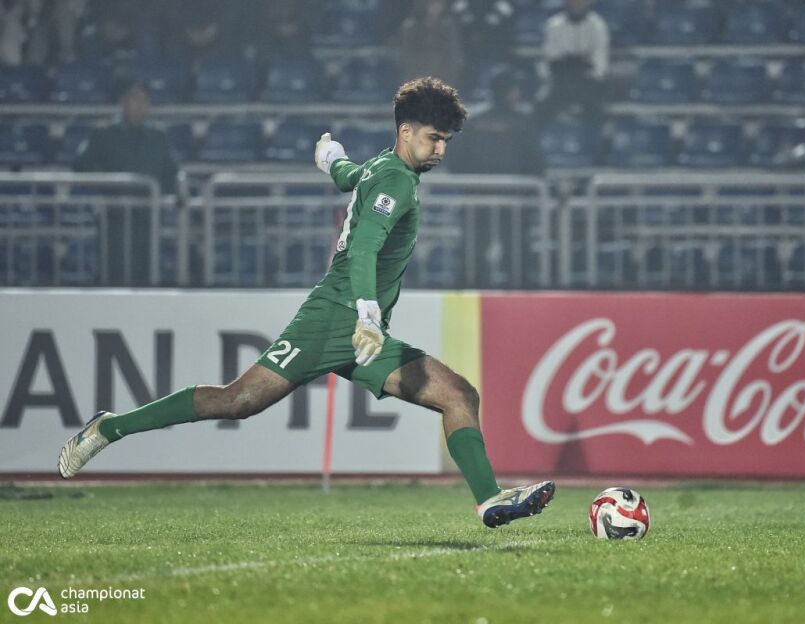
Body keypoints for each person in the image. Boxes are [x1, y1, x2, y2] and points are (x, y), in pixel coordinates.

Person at [58, 77, 556, 529]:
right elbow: (364, 247)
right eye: (433, 138)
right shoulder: (395, 180)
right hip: (337, 318)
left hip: (359, 329)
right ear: (405, 131)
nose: (441, 149)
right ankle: (111, 427)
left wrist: (329, 157)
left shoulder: (384, 167)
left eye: (446, 140)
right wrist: (368, 314)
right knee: (239, 400)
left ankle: (489, 500)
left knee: (458, 395)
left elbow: (348, 176)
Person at [74, 78, 178, 286]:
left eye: (145, 101)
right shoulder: (104, 134)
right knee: (113, 270)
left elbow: (171, 172)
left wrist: (164, 196)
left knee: (145, 271)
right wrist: (103, 188)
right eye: (135, 99)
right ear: (122, 102)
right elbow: (81, 166)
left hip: (147, 216)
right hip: (114, 215)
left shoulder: (158, 136)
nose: (140, 105)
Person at [446, 65, 544, 175]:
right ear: (503, 90)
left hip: (507, 182)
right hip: (481, 182)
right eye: (514, 88)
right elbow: (456, 158)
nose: (518, 92)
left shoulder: (471, 117)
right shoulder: (473, 119)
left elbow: (534, 159)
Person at [538, 0, 610, 122]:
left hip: (587, 82)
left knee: (595, 111)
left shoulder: (597, 26)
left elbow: (600, 63)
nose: (576, 4)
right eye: (573, 2)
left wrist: (571, 61)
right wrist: (580, 60)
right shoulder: (554, 25)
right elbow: (551, 56)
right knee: (541, 106)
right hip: (561, 81)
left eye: (580, 2)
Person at [395, 0, 464, 89]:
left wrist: (445, 82)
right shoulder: (411, 28)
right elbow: (407, 58)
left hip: (442, 82)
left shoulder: (448, 29)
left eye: (438, 3)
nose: (434, 6)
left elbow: (453, 57)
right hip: (416, 82)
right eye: (430, 2)